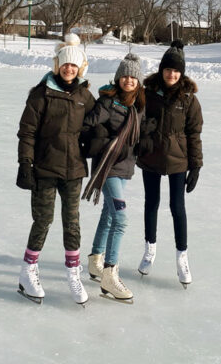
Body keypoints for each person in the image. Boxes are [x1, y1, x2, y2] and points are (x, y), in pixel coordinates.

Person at [15, 33, 94, 305]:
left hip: (74, 171)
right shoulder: (42, 93)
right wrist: (25, 164)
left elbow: (97, 127)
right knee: (43, 220)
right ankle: (28, 271)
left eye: (74, 65)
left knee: (72, 223)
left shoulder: (85, 95)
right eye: (64, 64)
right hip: (45, 168)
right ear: (57, 65)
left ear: (80, 67)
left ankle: (73, 274)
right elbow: (27, 132)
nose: (68, 69)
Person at [135, 40, 202, 288]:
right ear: (161, 69)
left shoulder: (188, 99)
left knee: (177, 207)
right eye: (168, 70)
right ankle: (149, 250)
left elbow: (194, 134)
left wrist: (196, 166)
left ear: (181, 73)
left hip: (177, 160)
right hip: (151, 155)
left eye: (176, 71)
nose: (171, 74)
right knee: (151, 203)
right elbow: (133, 115)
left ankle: (182, 257)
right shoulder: (148, 93)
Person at [81, 53, 145, 303]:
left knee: (108, 215)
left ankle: (96, 260)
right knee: (120, 219)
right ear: (118, 78)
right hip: (108, 167)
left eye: (133, 76)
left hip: (125, 167)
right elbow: (87, 124)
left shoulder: (139, 105)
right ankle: (110, 274)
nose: (128, 80)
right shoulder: (108, 102)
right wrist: (99, 136)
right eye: (124, 76)